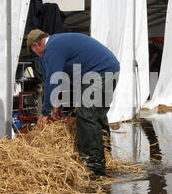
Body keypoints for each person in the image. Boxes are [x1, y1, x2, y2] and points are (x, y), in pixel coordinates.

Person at [26, 29, 120, 176]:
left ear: (36, 45)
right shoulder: (60, 41)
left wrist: (45, 112)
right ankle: (106, 157)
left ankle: (94, 168)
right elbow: (76, 74)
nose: (38, 55)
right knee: (97, 115)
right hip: (107, 69)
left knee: (86, 116)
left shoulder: (52, 48)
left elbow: (54, 80)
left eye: (34, 51)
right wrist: (78, 101)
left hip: (101, 72)